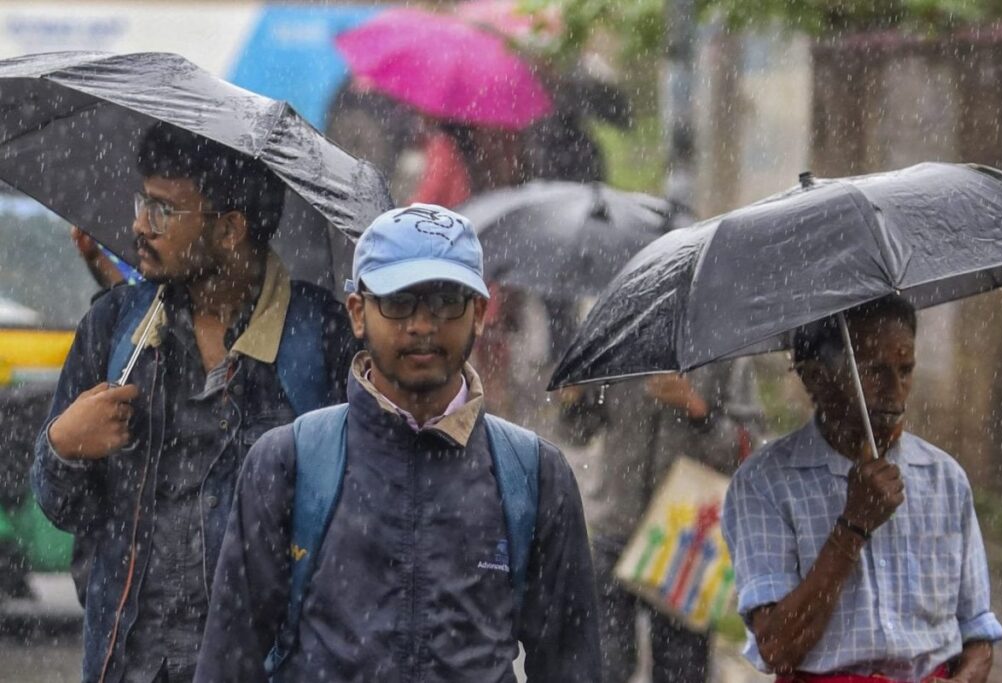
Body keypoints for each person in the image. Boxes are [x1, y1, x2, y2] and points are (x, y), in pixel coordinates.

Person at [195, 204, 601, 682]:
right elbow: (230, 660)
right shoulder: (289, 462)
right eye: (399, 301)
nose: (422, 325)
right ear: (357, 313)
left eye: (446, 301)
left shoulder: (533, 474)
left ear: (479, 314)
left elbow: (572, 667)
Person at [31, 122, 356, 683]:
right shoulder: (114, 328)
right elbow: (65, 509)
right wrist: (63, 446)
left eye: (162, 210)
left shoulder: (319, 337)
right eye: (141, 202)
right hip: (130, 662)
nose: (138, 225)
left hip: (266, 664)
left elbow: (352, 516)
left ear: (230, 229)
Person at [722, 295, 1002, 683]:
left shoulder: (945, 479)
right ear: (814, 378)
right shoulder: (764, 484)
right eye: (873, 372)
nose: (895, 390)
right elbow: (778, 647)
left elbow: (977, 631)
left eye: (905, 370)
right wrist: (852, 527)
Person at [573, 361, 763, 683]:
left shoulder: (726, 356)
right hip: (615, 528)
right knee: (604, 665)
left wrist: (697, 409)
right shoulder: (622, 349)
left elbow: (749, 448)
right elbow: (579, 432)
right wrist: (574, 402)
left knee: (682, 670)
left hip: (687, 543)